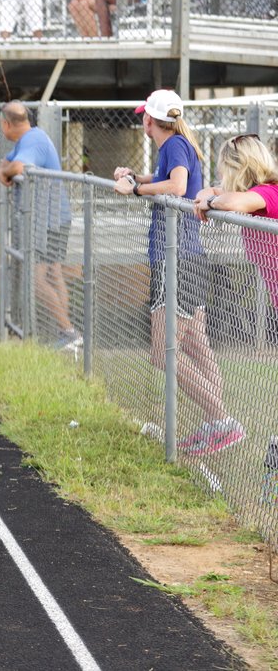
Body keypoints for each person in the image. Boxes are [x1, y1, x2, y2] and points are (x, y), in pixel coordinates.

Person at [113, 89, 245, 455]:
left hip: (176, 260)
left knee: (162, 352)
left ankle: (221, 420)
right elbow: (168, 179)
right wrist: (136, 177)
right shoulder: (177, 145)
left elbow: (178, 186)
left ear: (150, 121)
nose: (143, 121)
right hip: (188, 257)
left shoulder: (173, 145)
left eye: (145, 116)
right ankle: (216, 423)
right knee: (197, 345)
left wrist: (135, 190)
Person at [0, 101, 79, 349]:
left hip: (49, 221)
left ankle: (68, 332)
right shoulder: (29, 138)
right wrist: (5, 171)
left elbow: (16, 167)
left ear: (6, 124)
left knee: (37, 278)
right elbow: (5, 163)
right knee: (53, 272)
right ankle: (67, 333)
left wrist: (7, 172)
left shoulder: (33, 141)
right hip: (52, 219)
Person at [193, 134, 278, 311]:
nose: (220, 174)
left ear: (236, 169)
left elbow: (232, 202)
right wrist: (207, 197)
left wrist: (210, 202)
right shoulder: (252, 192)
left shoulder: (270, 191)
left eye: (223, 169)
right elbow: (207, 193)